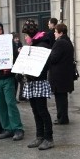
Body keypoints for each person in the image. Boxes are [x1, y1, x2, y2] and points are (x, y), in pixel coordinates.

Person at [21, 19, 54, 150]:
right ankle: (39, 136)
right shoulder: (34, 45)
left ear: (31, 35)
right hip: (31, 81)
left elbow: (44, 65)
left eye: (26, 35)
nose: (25, 38)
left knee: (42, 110)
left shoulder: (42, 45)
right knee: (35, 110)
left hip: (39, 81)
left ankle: (49, 138)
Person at [0, 20, 24, 141]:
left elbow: (15, 58)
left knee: (10, 103)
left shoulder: (8, 43)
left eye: (0, 30)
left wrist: (10, 66)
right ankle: (7, 128)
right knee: (0, 104)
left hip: (8, 78)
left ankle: (18, 128)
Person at [47, 22, 75, 125]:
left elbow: (53, 58)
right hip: (65, 75)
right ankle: (62, 117)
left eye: (55, 32)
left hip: (59, 76)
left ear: (61, 33)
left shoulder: (60, 43)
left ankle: (62, 118)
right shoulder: (67, 41)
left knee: (60, 99)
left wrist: (49, 54)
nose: (54, 33)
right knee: (62, 98)